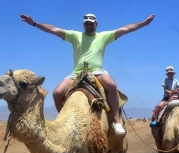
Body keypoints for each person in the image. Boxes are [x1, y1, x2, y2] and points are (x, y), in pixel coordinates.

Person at [20, 13, 155, 135]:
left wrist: (143, 24)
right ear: (83, 25)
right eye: (87, 23)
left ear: (96, 24)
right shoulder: (75, 36)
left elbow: (126, 29)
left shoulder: (104, 36)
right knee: (56, 93)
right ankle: (65, 122)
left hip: (97, 72)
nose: (89, 26)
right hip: (77, 73)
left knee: (112, 85)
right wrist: (35, 23)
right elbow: (54, 30)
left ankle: (116, 120)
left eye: (92, 23)